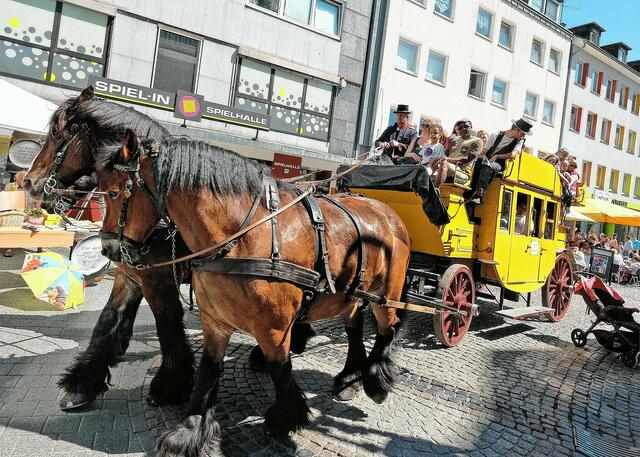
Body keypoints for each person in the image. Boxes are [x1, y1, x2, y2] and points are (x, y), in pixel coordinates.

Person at [466, 118, 532, 204]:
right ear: (516, 129)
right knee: (479, 161)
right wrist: (471, 159)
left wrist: (497, 156)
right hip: (487, 159)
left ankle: (479, 195)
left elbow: (513, 155)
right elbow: (484, 151)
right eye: (522, 133)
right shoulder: (496, 134)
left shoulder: (520, 140)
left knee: (488, 165)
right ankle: (470, 191)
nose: (523, 136)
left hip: (500, 163)